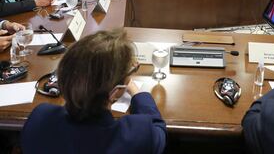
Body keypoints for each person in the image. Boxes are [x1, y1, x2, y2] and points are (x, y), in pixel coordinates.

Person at [21, 29, 167, 154]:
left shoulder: (39, 118)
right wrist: (137, 92)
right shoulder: (136, 135)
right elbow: (158, 128)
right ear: (115, 92)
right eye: (131, 70)